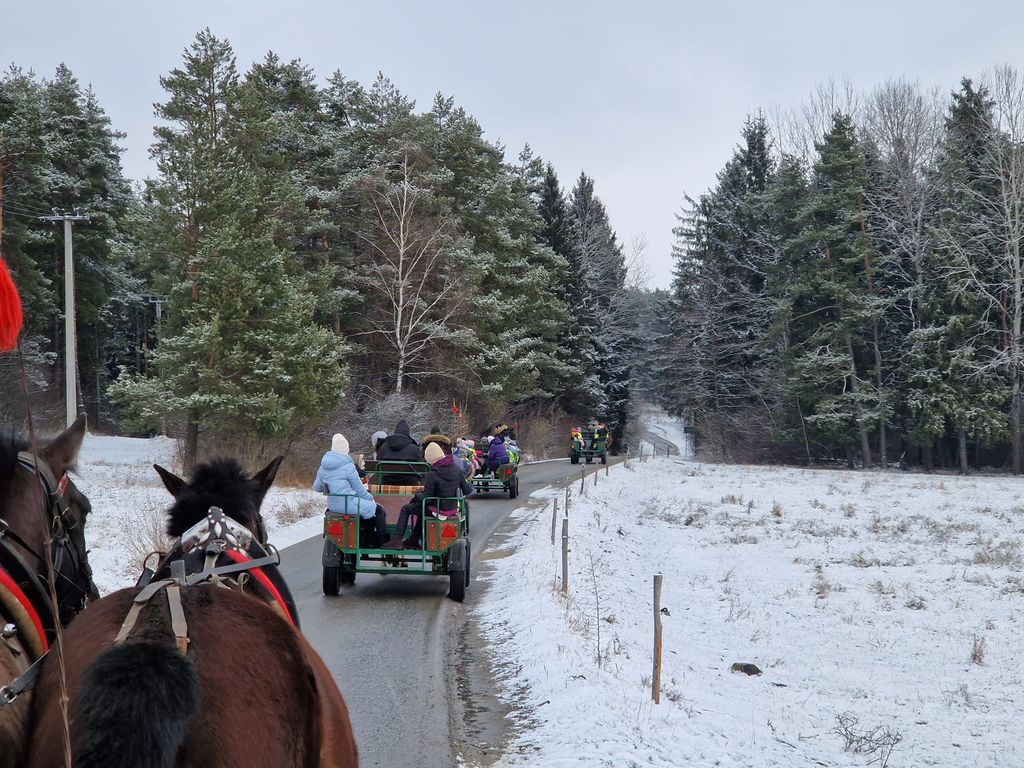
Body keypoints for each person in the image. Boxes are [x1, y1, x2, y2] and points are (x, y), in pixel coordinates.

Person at [382, 442, 472, 549]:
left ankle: (396, 540)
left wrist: (417, 495)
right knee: (421, 509)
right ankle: (413, 540)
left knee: (406, 509)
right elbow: (467, 490)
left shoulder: (432, 474)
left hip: (437, 509)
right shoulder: (456, 469)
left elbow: (427, 498)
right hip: (451, 508)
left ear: (430, 460)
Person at [313, 433, 387, 546]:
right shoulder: (348, 466)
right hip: (349, 503)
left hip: (333, 506)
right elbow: (359, 489)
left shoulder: (323, 467)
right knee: (377, 509)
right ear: (345, 449)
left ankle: (361, 539)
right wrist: (370, 497)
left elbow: (317, 487)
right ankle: (378, 541)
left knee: (366, 508)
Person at [375, 419, 424, 484]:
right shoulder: (415, 448)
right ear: (408, 433)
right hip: (409, 483)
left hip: (386, 482)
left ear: (395, 432)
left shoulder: (383, 447)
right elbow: (422, 468)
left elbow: (377, 466)